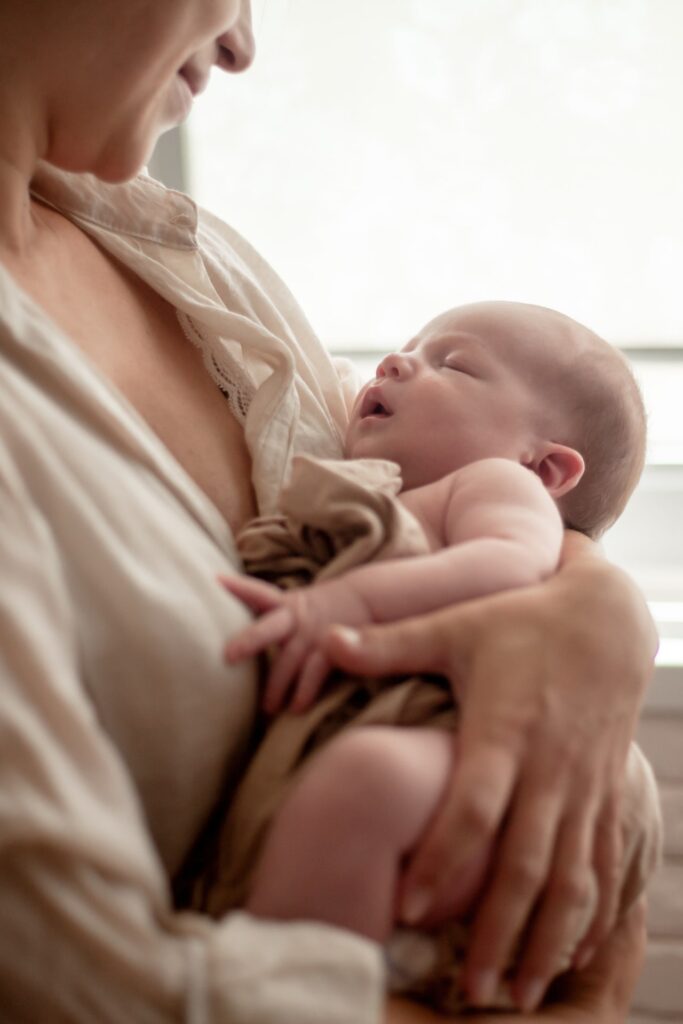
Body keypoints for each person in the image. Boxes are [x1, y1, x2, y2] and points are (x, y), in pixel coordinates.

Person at [0, 1, 657, 1021]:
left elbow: (512, 540)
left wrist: (599, 617)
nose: (242, 45)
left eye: (451, 364)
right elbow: (87, 987)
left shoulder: (197, 259)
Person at [205, 300, 659, 1013]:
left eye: (453, 363)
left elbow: (507, 565)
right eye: (407, 347)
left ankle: (289, 996)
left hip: (470, 758)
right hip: (424, 793)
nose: (397, 362)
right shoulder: (390, 496)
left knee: (366, 782)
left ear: (542, 468)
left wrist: (347, 604)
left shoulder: (494, 485)